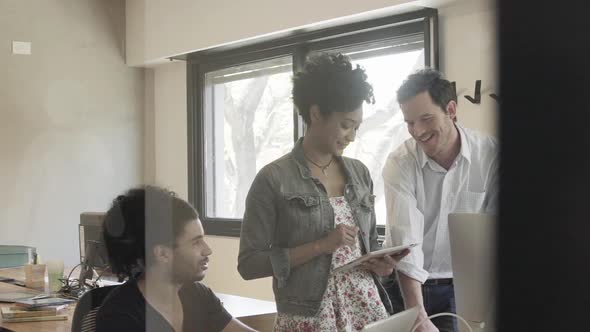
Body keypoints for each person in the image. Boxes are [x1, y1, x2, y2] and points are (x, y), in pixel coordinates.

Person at [237, 53, 409, 331]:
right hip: (309, 318)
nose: (352, 136)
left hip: (366, 312)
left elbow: (368, 248)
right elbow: (248, 265)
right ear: (316, 114)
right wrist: (320, 246)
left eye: (357, 126)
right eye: (345, 124)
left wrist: (382, 265)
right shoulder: (273, 179)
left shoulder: (360, 173)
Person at [381, 69, 499, 332]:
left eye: (426, 118)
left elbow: (493, 236)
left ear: (451, 109)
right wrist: (418, 316)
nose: (418, 131)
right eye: (410, 122)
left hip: (458, 287)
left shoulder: (490, 155)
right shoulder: (400, 163)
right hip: (404, 285)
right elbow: (405, 243)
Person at [96, 186, 256, 332]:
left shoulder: (197, 295)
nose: (208, 250)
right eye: (196, 242)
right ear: (162, 254)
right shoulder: (119, 316)